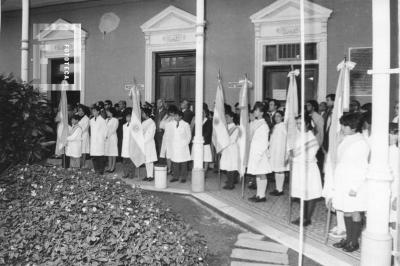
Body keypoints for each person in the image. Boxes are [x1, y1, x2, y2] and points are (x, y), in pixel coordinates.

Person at [325, 113, 369, 253]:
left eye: (345, 125)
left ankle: (354, 241)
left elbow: (362, 168)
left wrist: (354, 187)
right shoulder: (347, 139)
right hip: (343, 182)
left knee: (355, 212)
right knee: (346, 212)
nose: (342, 127)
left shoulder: (361, 143)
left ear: (354, 127)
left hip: (354, 185)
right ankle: (348, 238)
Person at [289, 115, 322, 226]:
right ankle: (302, 216)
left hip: (308, 169)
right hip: (299, 168)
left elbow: (308, 156)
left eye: (300, 123)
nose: (298, 126)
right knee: (302, 194)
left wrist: (294, 155)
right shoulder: (300, 135)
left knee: (309, 194)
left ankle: (307, 218)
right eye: (297, 123)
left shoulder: (311, 138)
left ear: (307, 124)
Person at [248, 102, 272, 203]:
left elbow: (264, 142)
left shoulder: (263, 125)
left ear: (262, 112)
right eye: (255, 109)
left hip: (260, 153)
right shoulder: (256, 122)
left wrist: (259, 154)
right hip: (255, 152)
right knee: (258, 174)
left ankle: (262, 196)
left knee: (262, 173)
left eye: (257, 110)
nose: (255, 111)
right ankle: (258, 194)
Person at [269, 111, 289, 196]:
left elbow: (287, 139)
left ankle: (280, 189)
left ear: (282, 117)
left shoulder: (284, 126)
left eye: (278, 116)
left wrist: (286, 152)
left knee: (280, 170)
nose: (277, 118)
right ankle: (277, 188)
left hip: (281, 151)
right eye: (275, 116)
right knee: (277, 170)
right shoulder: (274, 127)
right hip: (274, 151)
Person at [169, 107, 192, 183]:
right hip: (175, 145)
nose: (175, 117)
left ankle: (183, 177)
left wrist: (185, 144)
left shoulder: (186, 124)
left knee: (183, 162)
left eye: (176, 116)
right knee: (175, 162)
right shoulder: (172, 124)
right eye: (174, 116)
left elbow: (189, 136)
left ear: (180, 116)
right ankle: (175, 176)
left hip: (183, 146)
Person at [220, 111, 240, 189]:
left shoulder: (235, 127)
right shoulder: (227, 126)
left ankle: (231, 184)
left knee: (231, 166)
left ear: (232, 117)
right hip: (227, 148)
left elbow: (231, 139)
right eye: (225, 117)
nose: (226, 118)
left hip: (232, 148)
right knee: (227, 165)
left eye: (227, 117)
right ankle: (231, 180)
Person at [90, 106, 107, 175]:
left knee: (100, 156)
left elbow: (105, 130)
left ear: (98, 111)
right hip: (94, 141)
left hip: (100, 141)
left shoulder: (102, 120)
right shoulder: (91, 120)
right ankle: (96, 169)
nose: (93, 112)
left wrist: (103, 138)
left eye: (94, 111)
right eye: (92, 111)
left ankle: (101, 170)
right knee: (94, 156)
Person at [142, 107, 157, 181]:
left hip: (149, 143)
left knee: (150, 160)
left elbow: (150, 135)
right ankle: (148, 175)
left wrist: (143, 141)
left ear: (146, 114)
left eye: (143, 113)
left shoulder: (151, 123)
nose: (142, 114)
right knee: (146, 160)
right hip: (144, 144)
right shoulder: (143, 122)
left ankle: (151, 175)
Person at [389, 123, 399, 238]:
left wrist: (397, 197)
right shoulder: (386, 150)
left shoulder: (397, 152)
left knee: (395, 221)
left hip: (395, 190)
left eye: (393, 134)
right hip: (386, 190)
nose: (390, 137)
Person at [121, 108, 136, 179]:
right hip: (125, 145)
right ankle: (125, 173)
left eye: (129, 116)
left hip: (131, 145)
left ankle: (131, 174)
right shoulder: (124, 125)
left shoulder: (134, 125)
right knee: (125, 161)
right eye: (127, 117)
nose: (128, 118)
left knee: (131, 161)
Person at [160, 108, 175, 174]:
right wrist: (165, 117)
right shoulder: (168, 118)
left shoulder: (175, 119)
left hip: (172, 139)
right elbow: (161, 125)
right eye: (169, 113)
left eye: (171, 113)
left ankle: (174, 169)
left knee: (172, 154)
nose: (170, 114)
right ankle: (169, 169)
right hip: (166, 138)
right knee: (167, 154)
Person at [104, 107, 119, 172]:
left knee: (113, 152)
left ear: (112, 112)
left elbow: (114, 129)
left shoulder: (115, 120)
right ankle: (109, 166)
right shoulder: (106, 120)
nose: (107, 113)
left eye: (108, 111)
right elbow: (104, 128)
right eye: (107, 112)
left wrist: (108, 135)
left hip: (112, 137)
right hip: (107, 138)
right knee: (108, 152)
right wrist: (105, 135)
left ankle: (113, 167)